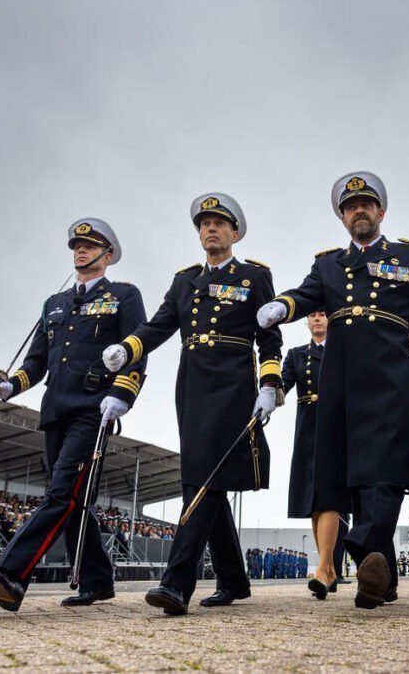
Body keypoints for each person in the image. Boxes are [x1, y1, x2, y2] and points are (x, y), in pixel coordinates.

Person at [257, 171, 409, 610]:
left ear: (381, 211)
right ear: (342, 217)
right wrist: (281, 307)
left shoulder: (408, 256)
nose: (358, 211)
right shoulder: (328, 265)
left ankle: (363, 552)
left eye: (366, 204)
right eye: (350, 206)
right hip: (339, 380)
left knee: (383, 476)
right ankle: (382, 578)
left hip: (390, 376)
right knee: (354, 480)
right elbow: (305, 295)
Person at [104, 192, 283, 615]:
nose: (210, 229)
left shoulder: (254, 277)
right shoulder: (185, 280)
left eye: (219, 223)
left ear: (234, 232)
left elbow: (269, 337)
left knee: (199, 482)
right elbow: (160, 325)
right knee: (207, 480)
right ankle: (234, 581)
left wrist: (270, 384)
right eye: (204, 224)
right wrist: (127, 349)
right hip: (192, 386)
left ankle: (176, 584)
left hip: (234, 386)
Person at [0, 218, 146, 611]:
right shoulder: (54, 303)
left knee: (62, 493)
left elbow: (138, 349)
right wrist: (10, 386)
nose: (80, 251)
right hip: (54, 410)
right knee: (75, 501)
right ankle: (97, 581)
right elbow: (36, 362)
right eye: (76, 246)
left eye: (89, 245)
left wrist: (122, 395)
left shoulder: (123, 295)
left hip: (93, 410)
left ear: (108, 254)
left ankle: (12, 573)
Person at [281, 309, 343, 599]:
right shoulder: (295, 354)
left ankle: (322, 569)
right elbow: (281, 385)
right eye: (312, 316)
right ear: (306, 322)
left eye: (322, 314)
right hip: (306, 425)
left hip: (336, 423)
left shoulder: (344, 350)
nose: (317, 319)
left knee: (329, 495)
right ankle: (328, 572)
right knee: (313, 500)